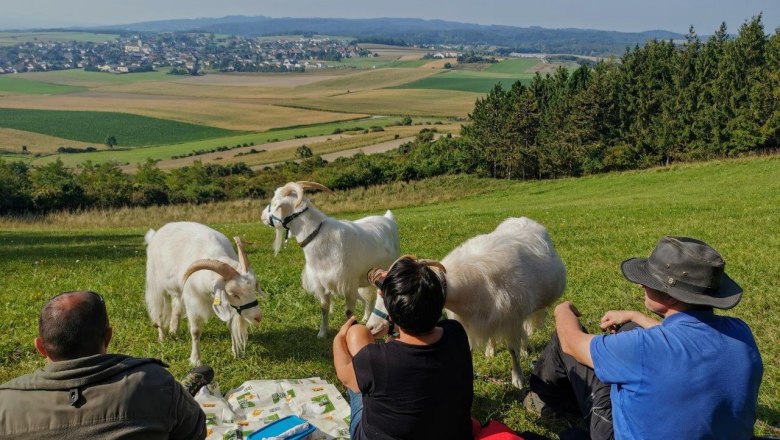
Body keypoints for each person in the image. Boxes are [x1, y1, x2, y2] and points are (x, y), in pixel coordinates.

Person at [526, 236, 763, 440]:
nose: (641, 284)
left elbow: (572, 343)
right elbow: (680, 341)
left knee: (562, 336)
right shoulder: (741, 332)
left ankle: (543, 400)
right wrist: (635, 316)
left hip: (614, 433)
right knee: (629, 327)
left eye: (650, 280)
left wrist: (562, 310)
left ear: (672, 297)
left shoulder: (644, 348)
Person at [0, 290, 208, 439]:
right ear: (108, 337)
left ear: (40, 347)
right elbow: (196, 432)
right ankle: (186, 391)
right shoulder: (153, 382)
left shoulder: (5, 403)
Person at [332, 255, 474, 440]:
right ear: (440, 303)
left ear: (391, 314)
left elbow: (344, 375)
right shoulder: (456, 333)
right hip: (452, 434)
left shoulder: (376, 360)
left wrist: (339, 338)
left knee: (357, 333)